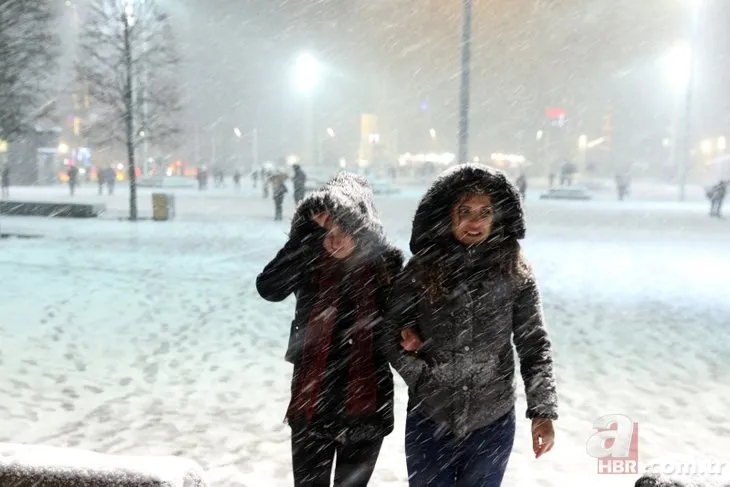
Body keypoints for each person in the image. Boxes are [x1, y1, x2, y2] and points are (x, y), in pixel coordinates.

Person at [386, 163, 558, 487]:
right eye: (464, 211)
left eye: (485, 211)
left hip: (491, 420)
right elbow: (390, 328)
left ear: (498, 217)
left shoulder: (516, 273)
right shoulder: (420, 269)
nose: (475, 222)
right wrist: (421, 375)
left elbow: (534, 343)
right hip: (430, 418)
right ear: (447, 216)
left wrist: (542, 411)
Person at [256, 172, 404, 487]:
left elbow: (407, 321)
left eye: (345, 229)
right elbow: (269, 287)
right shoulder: (309, 260)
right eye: (328, 230)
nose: (335, 239)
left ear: (362, 229)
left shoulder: (384, 268)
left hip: (366, 405)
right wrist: (303, 237)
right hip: (312, 404)